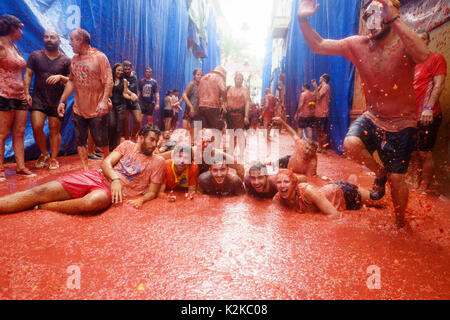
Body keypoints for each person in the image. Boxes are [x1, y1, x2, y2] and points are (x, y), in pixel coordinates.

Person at [297, 0, 430, 227]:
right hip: (373, 116)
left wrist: (395, 19)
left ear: (389, 14)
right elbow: (318, 44)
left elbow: (424, 54)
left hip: (402, 121)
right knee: (351, 143)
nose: (373, 20)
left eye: (378, 13)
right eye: (368, 15)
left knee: (397, 179)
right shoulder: (357, 45)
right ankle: (379, 172)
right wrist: (302, 20)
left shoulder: (403, 41)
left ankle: (399, 223)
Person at [0, 124, 166, 214]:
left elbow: (152, 191)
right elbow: (105, 163)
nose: (154, 144)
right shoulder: (128, 145)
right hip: (98, 177)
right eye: (151, 139)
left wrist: (141, 200)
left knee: (94, 201)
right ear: (141, 138)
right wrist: (115, 178)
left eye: (156, 141)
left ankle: (46, 206)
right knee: (40, 190)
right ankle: (33, 202)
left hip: (108, 192)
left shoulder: (158, 162)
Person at [57, 29, 113, 170]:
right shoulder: (74, 59)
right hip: (79, 109)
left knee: (101, 140)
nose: (69, 43)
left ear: (80, 40)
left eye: (72, 39)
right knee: (80, 140)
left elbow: (109, 82)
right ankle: (85, 169)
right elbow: (71, 81)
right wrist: (62, 101)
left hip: (97, 109)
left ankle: (107, 164)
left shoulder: (100, 57)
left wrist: (103, 101)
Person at [23, 30, 71, 170]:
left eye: (52, 37)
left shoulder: (66, 60)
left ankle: (54, 158)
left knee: (54, 130)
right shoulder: (35, 56)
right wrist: (26, 93)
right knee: (37, 126)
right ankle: (44, 154)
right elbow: (28, 75)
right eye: (46, 37)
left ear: (59, 41)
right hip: (38, 98)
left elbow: (73, 81)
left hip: (57, 101)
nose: (49, 39)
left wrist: (61, 77)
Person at [410, 31, 447, 192]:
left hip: (428, 114)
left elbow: (438, 85)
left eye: (423, 39)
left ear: (428, 41)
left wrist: (428, 108)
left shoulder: (436, 58)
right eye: (416, 39)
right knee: (413, 152)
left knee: (424, 152)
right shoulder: (411, 64)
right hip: (411, 116)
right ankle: (414, 183)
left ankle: (424, 188)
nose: (419, 42)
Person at [0, 14, 35, 181]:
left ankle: (20, 167)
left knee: (20, 131)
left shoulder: (14, 47)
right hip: (4, 95)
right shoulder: (0, 45)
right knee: (2, 133)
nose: (22, 32)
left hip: (19, 95)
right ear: (13, 28)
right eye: (20, 28)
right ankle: (0, 169)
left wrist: (26, 94)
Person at [273, 169, 381, 218]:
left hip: (344, 192)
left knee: (379, 199)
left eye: (286, 182)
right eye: (279, 182)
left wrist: (306, 220)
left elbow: (335, 215)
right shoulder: (278, 199)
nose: (282, 185)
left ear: (293, 184)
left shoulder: (307, 191)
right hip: (330, 193)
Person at [109, 63, 133, 151]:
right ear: (114, 70)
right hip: (111, 106)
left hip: (121, 106)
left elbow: (124, 93)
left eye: (121, 71)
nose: (120, 72)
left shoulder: (124, 81)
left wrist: (131, 97)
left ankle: (116, 147)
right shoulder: (110, 80)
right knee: (112, 124)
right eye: (118, 70)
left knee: (119, 127)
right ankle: (110, 144)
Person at [197, 66, 227, 130]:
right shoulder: (219, 77)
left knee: (204, 129)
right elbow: (223, 89)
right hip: (213, 107)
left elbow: (198, 92)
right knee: (215, 130)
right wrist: (225, 101)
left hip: (201, 106)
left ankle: (206, 139)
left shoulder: (203, 77)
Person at [178, 69, 202, 137]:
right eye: (198, 75)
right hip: (189, 115)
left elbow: (185, 95)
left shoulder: (200, 86)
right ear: (193, 76)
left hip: (197, 114)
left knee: (195, 137)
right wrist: (191, 107)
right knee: (186, 135)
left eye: (201, 75)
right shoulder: (191, 84)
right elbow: (184, 95)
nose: (200, 76)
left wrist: (179, 101)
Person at [312, 74, 331, 153]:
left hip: (323, 112)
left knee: (322, 132)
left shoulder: (326, 86)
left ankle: (324, 149)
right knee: (318, 131)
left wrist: (316, 87)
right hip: (318, 112)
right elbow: (314, 96)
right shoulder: (321, 87)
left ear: (323, 79)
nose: (319, 78)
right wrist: (316, 87)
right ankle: (320, 147)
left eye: (320, 77)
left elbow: (319, 97)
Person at [122, 61, 141, 141]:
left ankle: (133, 136)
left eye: (128, 69)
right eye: (125, 69)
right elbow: (125, 89)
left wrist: (136, 96)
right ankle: (127, 140)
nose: (127, 71)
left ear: (131, 68)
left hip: (134, 102)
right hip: (125, 101)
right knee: (126, 124)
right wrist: (132, 95)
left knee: (138, 120)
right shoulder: (122, 76)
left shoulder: (135, 74)